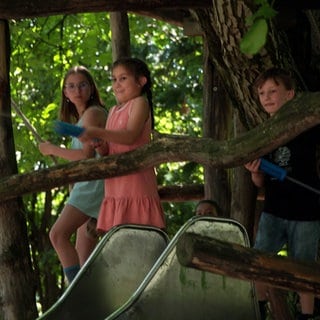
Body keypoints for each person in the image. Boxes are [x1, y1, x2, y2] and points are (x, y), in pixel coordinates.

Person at [244, 67, 320, 320]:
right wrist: (254, 171)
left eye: (273, 91)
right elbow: (259, 182)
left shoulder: (306, 126)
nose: (266, 97)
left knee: (304, 267)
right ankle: (260, 308)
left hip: (307, 210)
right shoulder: (263, 133)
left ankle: (306, 315)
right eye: (262, 93)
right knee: (260, 261)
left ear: (289, 95)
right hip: (274, 210)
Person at [79, 57, 166, 233]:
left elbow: (129, 137)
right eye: (114, 79)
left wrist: (96, 131)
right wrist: (98, 144)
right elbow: (108, 151)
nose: (117, 84)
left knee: (139, 239)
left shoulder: (140, 103)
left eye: (123, 78)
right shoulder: (112, 110)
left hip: (136, 184)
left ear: (141, 81)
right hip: (115, 187)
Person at [39, 66, 107, 284]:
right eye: (71, 86)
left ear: (91, 88)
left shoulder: (94, 113)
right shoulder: (81, 119)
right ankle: (86, 301)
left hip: (93, 186)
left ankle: (77, 294)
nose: (77, 90)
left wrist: (52, 149)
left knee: (57, 235)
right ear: (65, 94)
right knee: (82, 259)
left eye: (82, 84)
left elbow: (85, 155)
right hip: (86, 186)